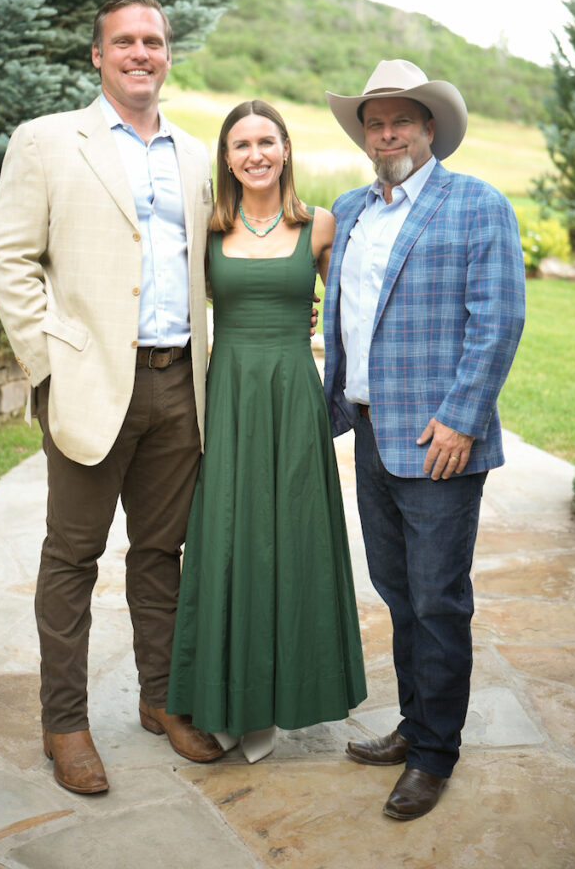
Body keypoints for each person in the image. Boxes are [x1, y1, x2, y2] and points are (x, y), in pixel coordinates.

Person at [0, 0, 225, 796]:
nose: (140, 53)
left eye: (153, 41)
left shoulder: (197, 157)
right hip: (89, 386)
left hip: (177, 387)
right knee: (72, 558)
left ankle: (163, 701)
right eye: (123, 41)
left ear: (167, 53)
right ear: (97, 56)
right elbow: (9, 259)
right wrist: (49, 366)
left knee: (162, 557)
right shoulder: (49, 141)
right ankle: (65, 724)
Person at [323, 60, 526, 819]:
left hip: (440, 437)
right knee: (399, 594)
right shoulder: (349, 210)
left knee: (439, 601)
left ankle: (436, 754)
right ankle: (415, 726)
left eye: (400, 120)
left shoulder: (475, 204)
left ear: (429, 128)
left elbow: (497, 319)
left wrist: (463, 417)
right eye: (374, 123)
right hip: (370, 432)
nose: (386, 133)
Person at [166, 100, 367, 763]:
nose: (254, 154)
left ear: (285, 149)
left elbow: (351, 319)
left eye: (266, 141)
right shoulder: (208, 226)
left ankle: (285, 695)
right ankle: (226, 695)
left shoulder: (320, 226)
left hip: (290, 395)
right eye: (241, 144)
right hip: (226, 395)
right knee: (227, 535)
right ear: (226, 158)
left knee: (292, 537)